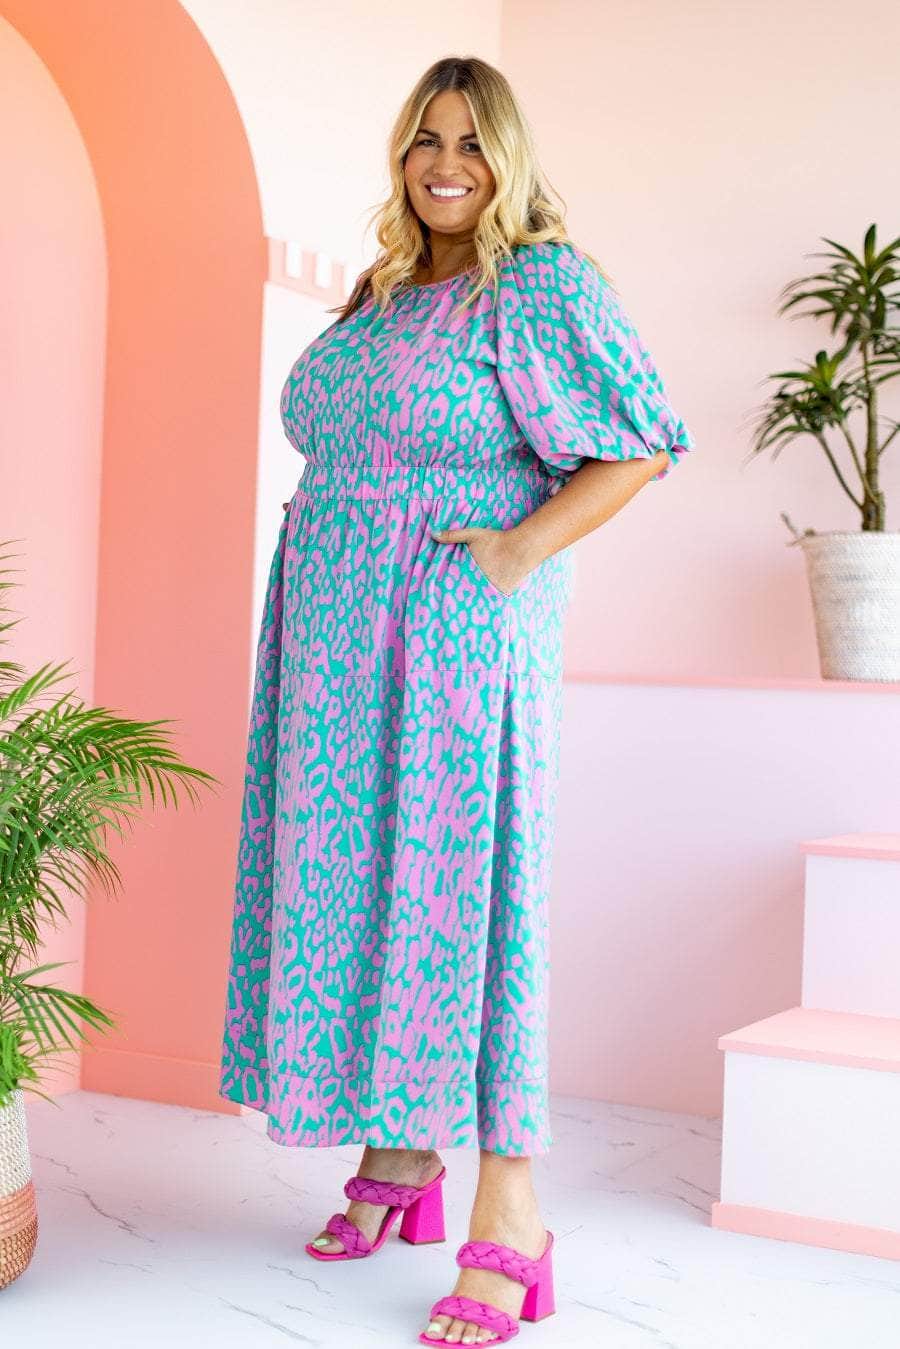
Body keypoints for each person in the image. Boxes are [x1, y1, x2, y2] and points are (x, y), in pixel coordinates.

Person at [219, 53, 695, 1348]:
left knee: (462, 906)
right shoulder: (384, 289)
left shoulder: (537, 283)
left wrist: (521, 550)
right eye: (427, 140)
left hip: (450, 640)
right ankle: (399, 1151)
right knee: (356, 882)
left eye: (473, 143)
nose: (446, 165)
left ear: (511, 158)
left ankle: (513, 1214)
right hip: (330, 649)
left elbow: (642, 442)